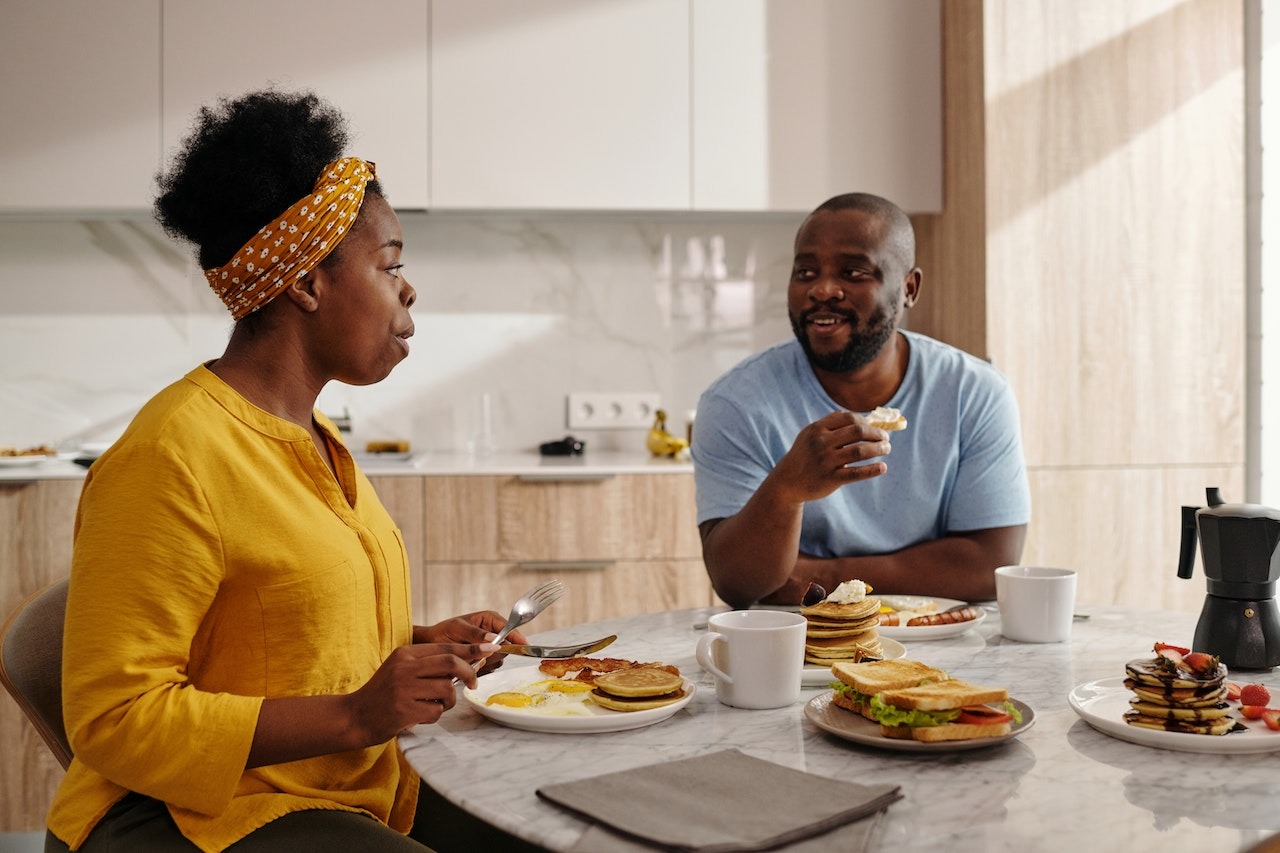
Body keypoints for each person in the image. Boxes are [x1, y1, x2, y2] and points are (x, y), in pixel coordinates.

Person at [45, 89, 528, 852]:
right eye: (389, 263)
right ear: (306, 282)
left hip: (332, 784)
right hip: (177, 818)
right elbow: (113, 718)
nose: (409, 289)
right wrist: (357, 714)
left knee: (548, 826)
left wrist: (421, 645)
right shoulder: (171, 455)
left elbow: (275, 631)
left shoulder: (314, 440)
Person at [691, 192, 1030, 609]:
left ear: (909, 287)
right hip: (795, 646)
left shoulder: (974, 393)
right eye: (806, 271)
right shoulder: (735, 403)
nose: (823, 289)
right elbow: (738, 584)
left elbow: (987, 567)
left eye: (853, 272)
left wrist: (821, 577)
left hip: (944, 641)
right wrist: (787, 490)